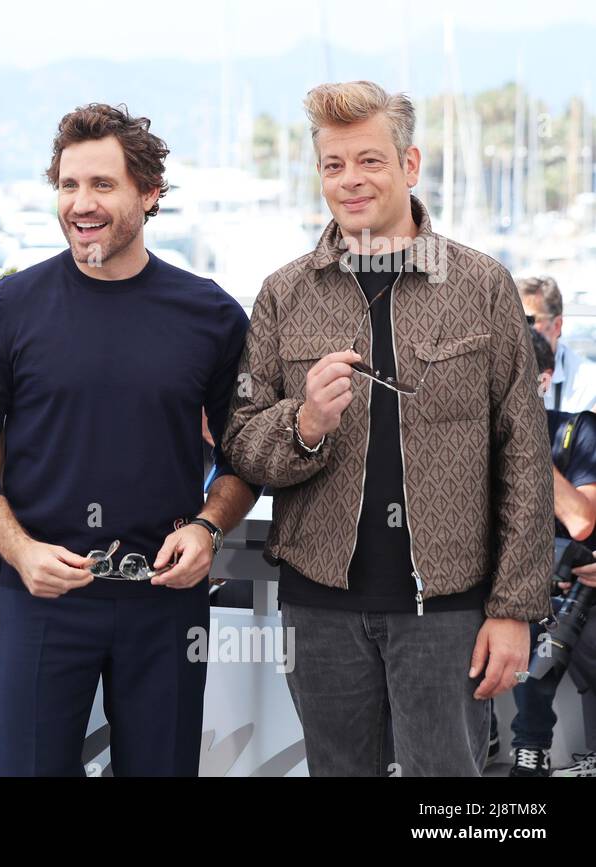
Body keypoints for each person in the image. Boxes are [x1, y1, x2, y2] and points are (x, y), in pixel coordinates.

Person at [223, 80, 552, 777]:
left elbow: (524, 452)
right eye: (333, 165)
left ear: (410, 164)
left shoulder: (482, 285)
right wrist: (304, 423)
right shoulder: (285, 292)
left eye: (369, 160)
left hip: (449, 609)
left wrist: (516, 607)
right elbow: (243, 442)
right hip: (320, 609)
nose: (350, 181)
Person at [0, 103, 257, 776]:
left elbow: (243, 457)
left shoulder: (212, 316)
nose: (81, 203)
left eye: (102, 185)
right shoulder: (3, 310)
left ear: (148, 192)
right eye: (69, 185)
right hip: (39, 596)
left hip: (166, 605)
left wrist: (206, 528)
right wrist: (20, 552)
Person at [508, 331, 596, 777]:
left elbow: (582, 521)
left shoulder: (575, 430)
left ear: (543, 381)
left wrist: (528, 442)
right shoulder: (465, 439)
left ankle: (531, 749)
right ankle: (524, 748)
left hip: (573, 587)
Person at [518, 275, 596, 413]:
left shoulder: (589, 383)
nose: (517, 329)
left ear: (557, 326)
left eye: (528, 320)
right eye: (512, 320)